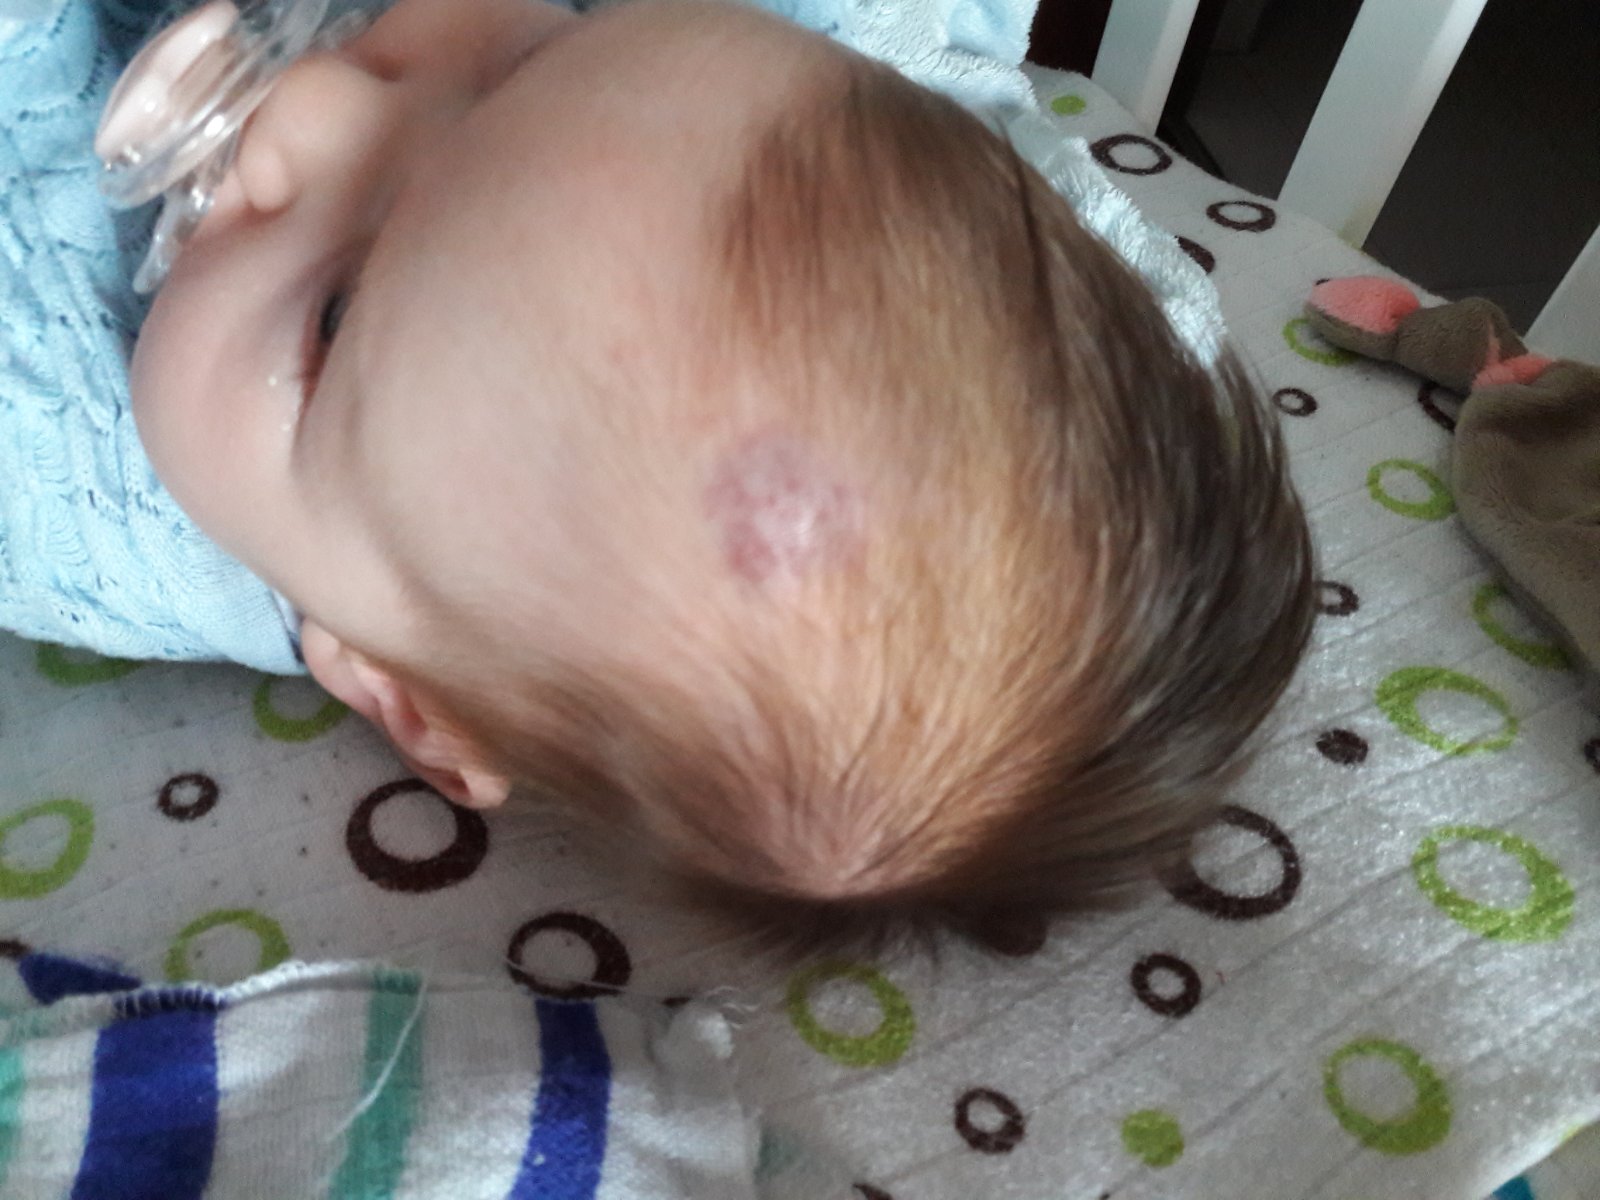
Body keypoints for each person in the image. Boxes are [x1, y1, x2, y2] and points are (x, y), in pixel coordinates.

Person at [60, 0, 1322, 947]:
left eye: (336, 319)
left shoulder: (81, 497)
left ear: (402, 698)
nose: (308, 103)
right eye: (528, 61)